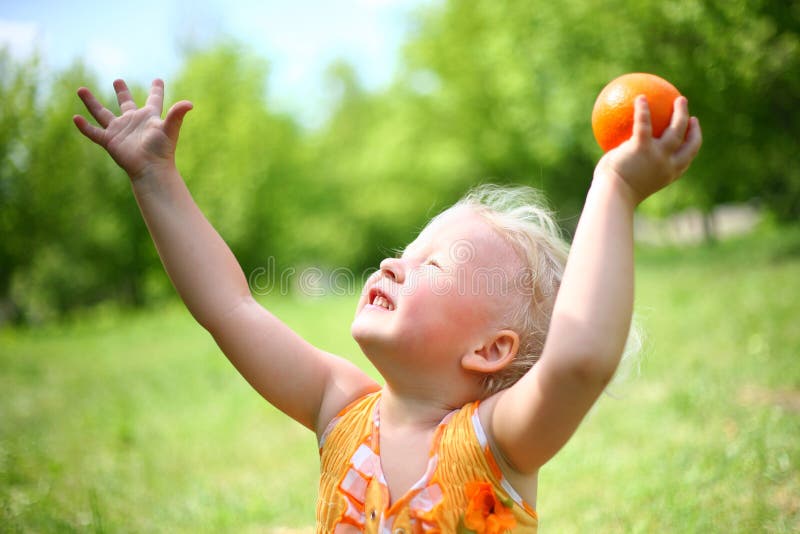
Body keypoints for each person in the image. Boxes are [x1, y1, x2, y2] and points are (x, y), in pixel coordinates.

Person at [74, 78, 702, 533]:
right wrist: (155, 179)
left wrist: (615, 187)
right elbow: (229, 306)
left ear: (490, 350)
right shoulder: (340, 409)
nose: (394, 263)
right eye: (406, 250)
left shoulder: (499, 443)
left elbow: (579, 360)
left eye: (431, 264)